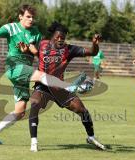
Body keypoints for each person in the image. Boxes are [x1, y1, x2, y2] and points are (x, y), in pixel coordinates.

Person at [0, 4, 87, 145]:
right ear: (20, 16)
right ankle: (69, 87)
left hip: (24, 70)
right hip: (14, 66)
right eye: (28, 16)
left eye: (33, 17)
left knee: (19, 111)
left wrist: (27, 50)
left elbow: (35, 51)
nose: (31, 19)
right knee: (42, 76)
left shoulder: (35, 32)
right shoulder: (10, 27)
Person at [28, 21, 106, 152]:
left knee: (82, 111)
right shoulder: (42, 45)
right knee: (34, 104)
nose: (60, 40)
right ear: (52, 36)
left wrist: (95, 44)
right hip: (43, 85)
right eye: (58, 37)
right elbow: (31, 51)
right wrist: (26, 49)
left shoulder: (69, 49)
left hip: (59, 88)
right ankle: (34, 142)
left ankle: (91, 137)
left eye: (63, 38)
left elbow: (92, 52)